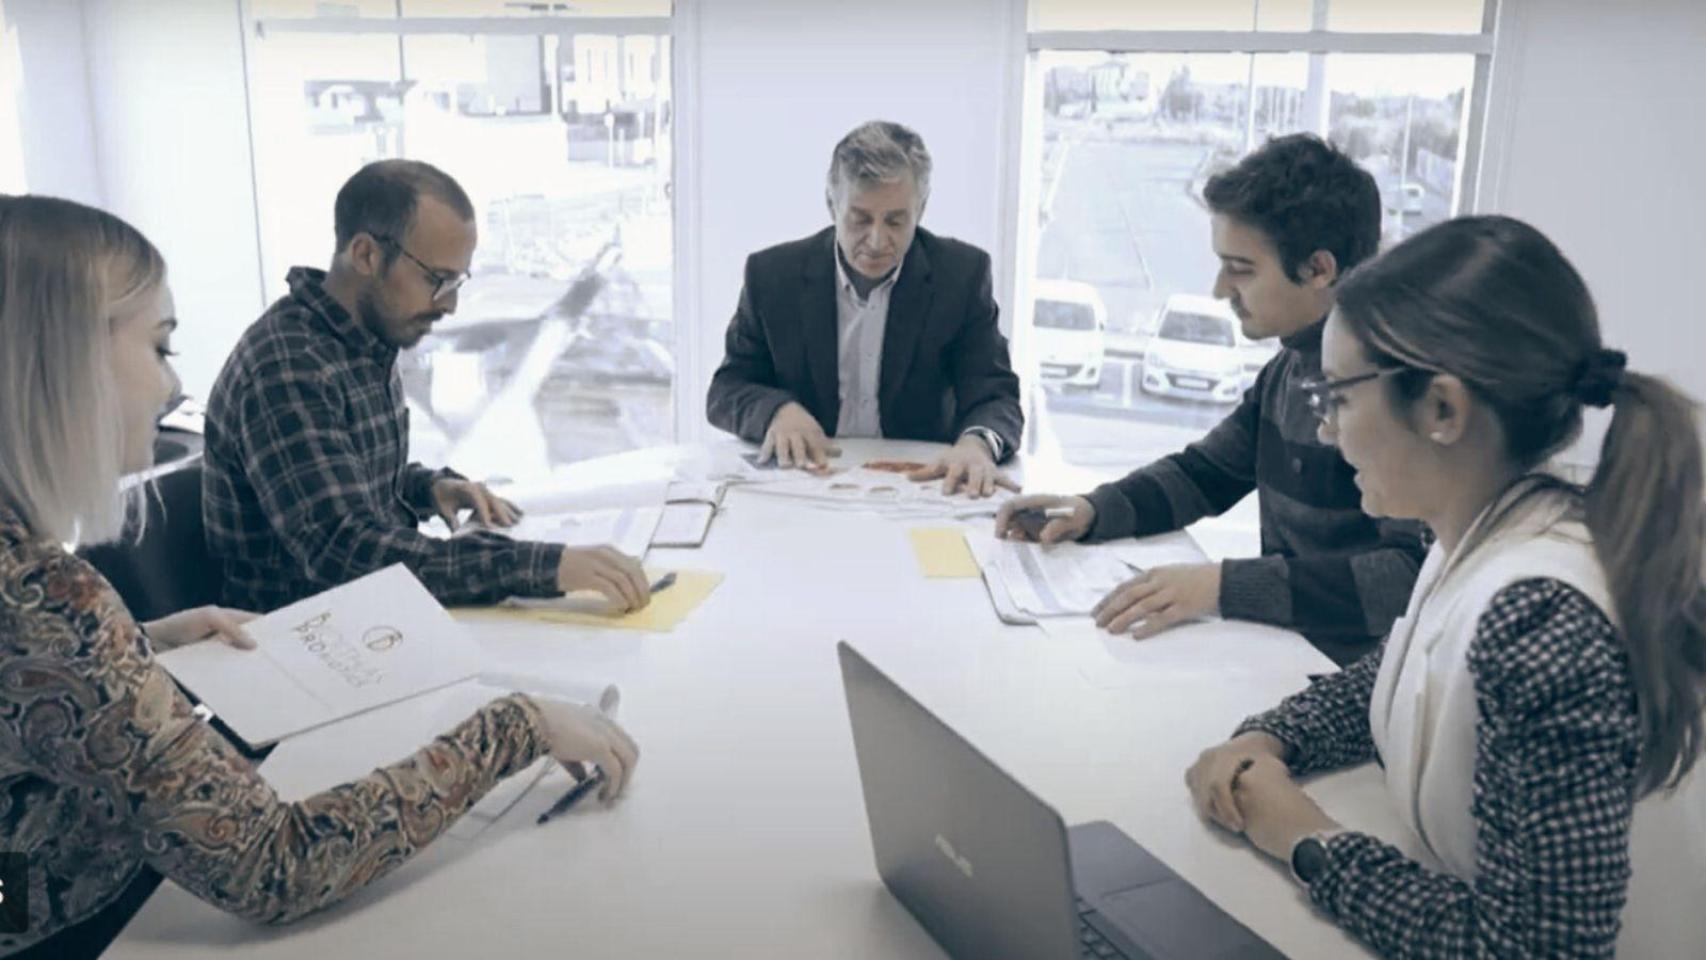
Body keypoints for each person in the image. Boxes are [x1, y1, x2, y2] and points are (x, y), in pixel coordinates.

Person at [0, 195, 641, 957]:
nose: (172, 389)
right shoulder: (47, 601)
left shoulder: (36, 594)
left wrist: (135, 645)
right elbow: (273, 864)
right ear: (60, 360)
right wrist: (518, 727)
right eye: (161, 347)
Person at [1186, 215, 1706, 958]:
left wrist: (1306, 839)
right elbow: (1407, 676)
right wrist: (1273, 736)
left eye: (1338, 399)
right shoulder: (1486, 529)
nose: (1327, 431)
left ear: (1441, 409)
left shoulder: (1543, 618)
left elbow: (1536, 950)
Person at [997, 134, 1425, 662]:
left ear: (1319, 269)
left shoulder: (1390, 395)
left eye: (1241, 268)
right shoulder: (1285, 370)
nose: (1221, 290)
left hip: (1351, 678)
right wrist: (1091, 510)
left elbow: (1405, 579)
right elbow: (1205, 474)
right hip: (1283, 652)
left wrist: (1221, 587)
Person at [203, 159, 650, 612]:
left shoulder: (360, 340)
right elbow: (347, 552)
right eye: (438, 280)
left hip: (368, 616)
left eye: (457, 282)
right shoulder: (289, 367)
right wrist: (546, 567)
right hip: (305, 634)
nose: (450, 304)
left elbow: (347, 476)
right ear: (366, 255)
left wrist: (427, 488)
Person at [706, 120, 1024, 498]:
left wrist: (977, 444)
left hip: (918, 488)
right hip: (806, 483)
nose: (876, 240)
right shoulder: (773, 276)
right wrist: (776, 410)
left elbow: (996, 396)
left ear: (921, 209)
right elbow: (726, 390)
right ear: (832, 204)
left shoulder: (961, 275)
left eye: (895, 221)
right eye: (860, 219)